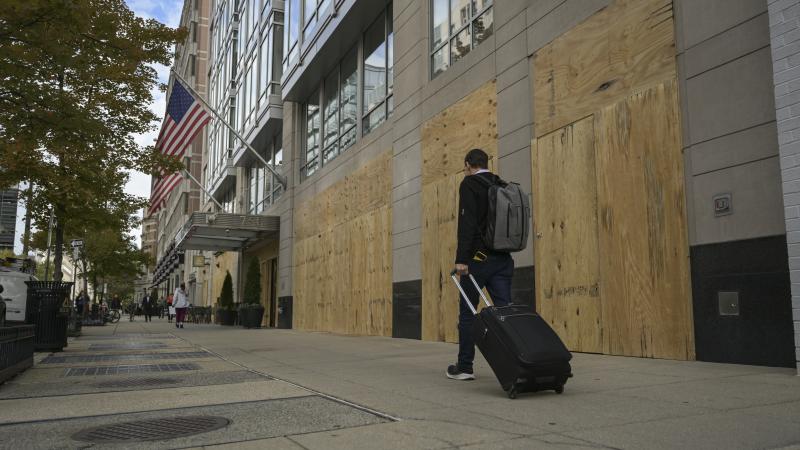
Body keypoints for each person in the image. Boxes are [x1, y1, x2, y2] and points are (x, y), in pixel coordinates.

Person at [447, 148, 514, 381]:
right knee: (506, 313)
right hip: (503, 259)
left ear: (468, 164)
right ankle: (518, 361)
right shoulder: (501, 184)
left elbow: (467, 223)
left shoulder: (469, 184)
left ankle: (465, 366)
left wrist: (462, 259)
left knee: (468, 313)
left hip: (477, 261)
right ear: (486, 163)